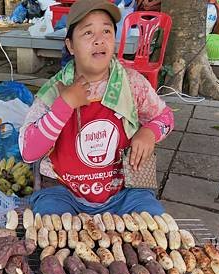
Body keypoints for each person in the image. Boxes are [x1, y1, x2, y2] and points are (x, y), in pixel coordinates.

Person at [19, 0, 173, 216]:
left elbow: (165, 118)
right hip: (64, 192)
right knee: (47, 220)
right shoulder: (53, 92)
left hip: (126, 192)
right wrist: (65, 105)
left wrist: (150, 132)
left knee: (153, 219)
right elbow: (28, 151)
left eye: (107, 31)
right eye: (88, 33)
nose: (99, 40)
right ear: (70, 45)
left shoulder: (132, 84)